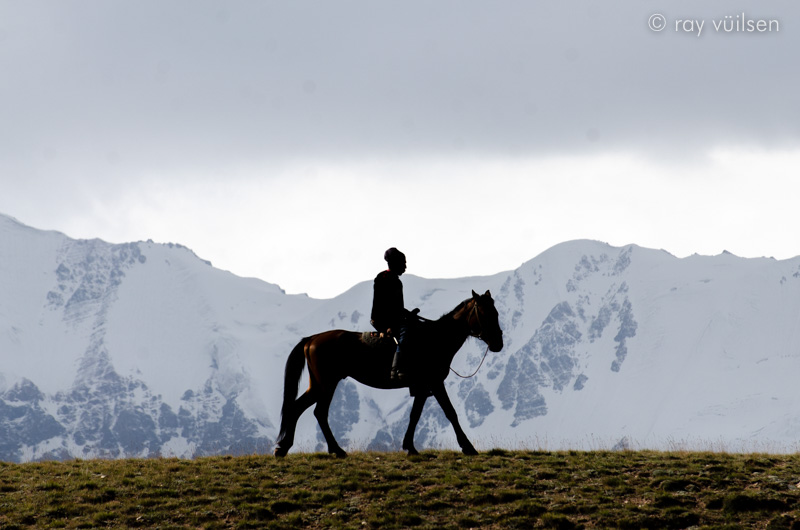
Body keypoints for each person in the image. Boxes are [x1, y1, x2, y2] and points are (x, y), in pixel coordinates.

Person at [370, 247, 419, 381]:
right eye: (403, 263)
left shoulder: (395, 280)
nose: (405, 267)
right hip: (383, 321)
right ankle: (397, 369)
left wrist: (408, 314)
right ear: (395, 263)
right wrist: (386, 327)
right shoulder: (384, 278)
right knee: (405, 334)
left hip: (393, 320)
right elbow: (380, 305)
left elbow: (396, 307)